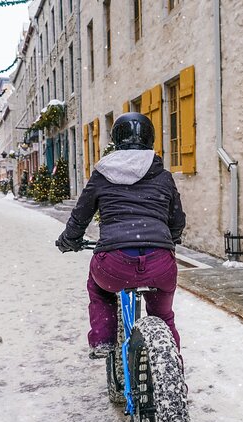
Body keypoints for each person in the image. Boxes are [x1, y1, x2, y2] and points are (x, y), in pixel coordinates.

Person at [56, 112, 186, 359]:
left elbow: (81, 214)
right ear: (150, 138)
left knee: (98, 288)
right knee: (164, 317)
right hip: (160, 263)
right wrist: (172, 236)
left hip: (114, 264)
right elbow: (177, 218)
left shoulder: (102, 174)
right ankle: (171, 371)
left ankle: (103, 338)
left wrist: (69, 239)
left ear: (117, 139)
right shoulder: (163, 175)